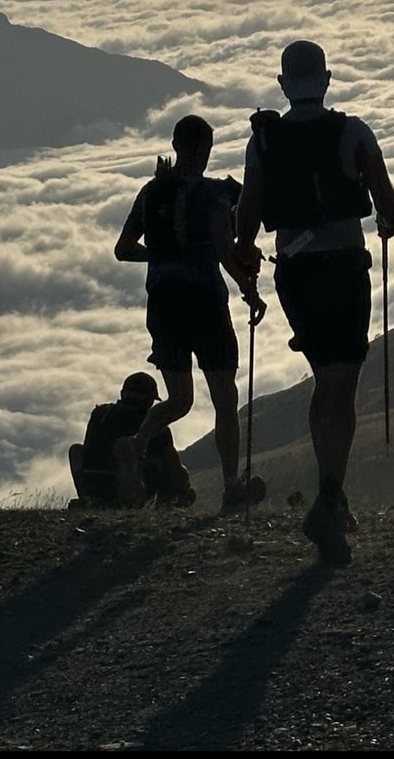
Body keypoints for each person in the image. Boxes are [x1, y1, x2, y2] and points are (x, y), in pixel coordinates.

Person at [235, 40, 394, 564]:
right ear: (325, 80)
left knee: (324, 377)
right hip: (344, 264)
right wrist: (389, 222)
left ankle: (334, 491)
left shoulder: (263, 141)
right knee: (342, 380)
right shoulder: (353, 131)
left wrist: (244, 253)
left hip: (295, 271)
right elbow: (385, 199)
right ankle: (327, 499)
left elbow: (250, 207)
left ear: (284, 85)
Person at [114, 114, 267, 512]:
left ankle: (136, 444)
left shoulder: (150, 193)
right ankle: (232, 485)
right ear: (201, 149)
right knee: (223, 399)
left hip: (163, 304)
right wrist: (248, 289)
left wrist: (162, 257)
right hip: (203, 302)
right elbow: (222, 244)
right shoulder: (214, 194)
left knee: (179, 399)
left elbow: (124, 248)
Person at [68, 371, 196, 509]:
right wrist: (185, 487)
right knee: (177, 482)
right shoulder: (151, 422)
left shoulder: (99, 414)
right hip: (126, 494)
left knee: (76, 450)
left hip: (93, 490)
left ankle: (89, 500)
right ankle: (138, 503)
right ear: (149, 399)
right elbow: (175, 469)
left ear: (123, 393)